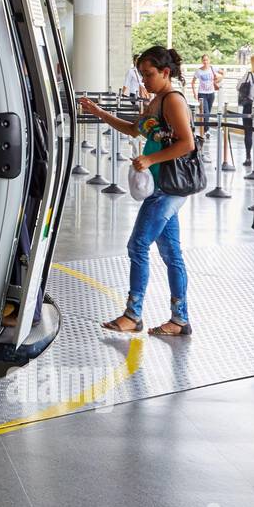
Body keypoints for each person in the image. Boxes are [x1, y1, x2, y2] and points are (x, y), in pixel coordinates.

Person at [78, 46, 194, 336]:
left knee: (138, 245)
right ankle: (179, 319)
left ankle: (133, 314)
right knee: (170, 252)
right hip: (161, 185)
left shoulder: (173, 101)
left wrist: (150, 159)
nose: (144, 80)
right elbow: (134, 130)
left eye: (149, 74)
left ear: (166, 73)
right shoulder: (157, 100)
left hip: (168, 187)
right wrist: (99, 112)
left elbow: (187, 143)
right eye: (142, 74)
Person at [191, 54, 221, 140]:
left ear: (209, 60)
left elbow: (223, 73)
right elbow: (193, 82)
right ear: (202, 61)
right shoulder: (198, 71)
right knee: (206, 113)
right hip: (202, 93)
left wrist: (218, 80)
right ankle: (207, 131)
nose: (205, 62)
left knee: (208, 113)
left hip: (211, 93)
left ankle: (204, 130)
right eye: (204, 60)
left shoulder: (213, 68)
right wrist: (194, 93)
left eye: (207, 60)